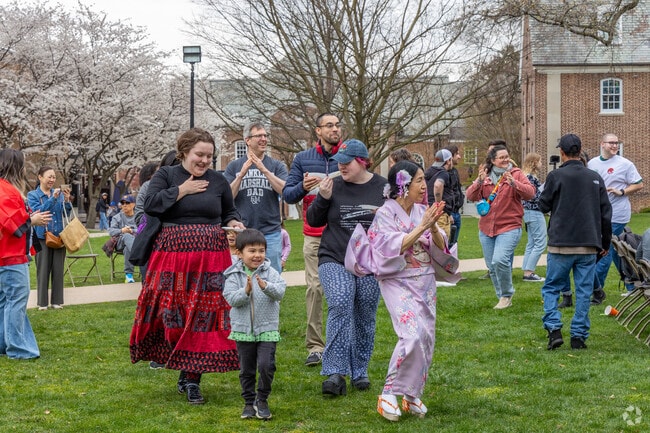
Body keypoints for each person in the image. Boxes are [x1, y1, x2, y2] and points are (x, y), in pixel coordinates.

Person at [129, 127, 245, 405]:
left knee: (202, 317)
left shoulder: (218, 180)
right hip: (172, 257)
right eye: (199, 155)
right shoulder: (166, 176)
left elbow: (228, 210)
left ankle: (193, 378)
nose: (205, 161)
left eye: (209, 156)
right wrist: (181, 190)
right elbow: (152, 206)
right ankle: (181, 362)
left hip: (211, 257)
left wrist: (234, 222)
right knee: (173, 315)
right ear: (184, 152)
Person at [368, 161, 449, 422]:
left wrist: (434, 225)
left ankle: (411, 394)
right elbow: (393, 246)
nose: (423, 186)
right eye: (418, 180)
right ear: (402, 185)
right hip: (397, 279)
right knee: (411, 334)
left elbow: (440, 246)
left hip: (424, 279)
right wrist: (422, 226)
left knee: (425, 338)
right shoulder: (385, 214)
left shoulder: (422, 210)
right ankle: (389, 392)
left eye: (424, 180)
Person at [306, 138, 386, 397]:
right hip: (334, 256)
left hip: (369, 262)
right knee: (340, 302)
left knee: (364, 311)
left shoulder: (383, 188)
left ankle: (359, 369)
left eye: (347, 162)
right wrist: (323, 197)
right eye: (338, 162)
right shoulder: (333, 185)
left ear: (363, 161)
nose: (341, 166)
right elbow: (313, 220)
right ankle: (335, 372)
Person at [538, 134, 612, 350]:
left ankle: (554, 329)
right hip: (588, 243)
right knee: (583, 291)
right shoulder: (594, 177)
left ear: (562, 152)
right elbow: (606, 213)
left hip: (561, 243)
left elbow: (543, 205)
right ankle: (578, 336)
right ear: (580, 151)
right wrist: (604, 243)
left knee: (551, 288)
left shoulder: (556, 175)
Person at [282, 112, 341, 367]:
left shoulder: (348, 157)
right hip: (314, 235)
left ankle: (341, 343)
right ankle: (316, 347)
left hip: (343, 234)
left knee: (342, 291)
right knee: (315, 289)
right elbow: (288, 195)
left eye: (338, 125)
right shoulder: (304, 159)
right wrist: (304, 187)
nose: (335, 129)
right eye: (329, 125)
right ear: (318, 131)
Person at [223, 229, 286, 420]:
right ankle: (249, 403)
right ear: (239, 253)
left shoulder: (271, 272)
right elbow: (231, 299)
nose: (257, 255)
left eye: (261, 250)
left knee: (267, 365)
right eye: (252, 251)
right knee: (247, 369)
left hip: (267, 327)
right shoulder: (233, 275)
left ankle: (263, 399)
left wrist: (266, 287)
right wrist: (246, 291)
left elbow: (281, 292)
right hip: (243, 330)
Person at [465, 144, 535, 309]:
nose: (505, 160)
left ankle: (506, 294)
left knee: (500, 259)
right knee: (492, 266)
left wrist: (514, 184)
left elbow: (531, 193)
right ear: (493, 160)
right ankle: (502, 297)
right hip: (487, 227)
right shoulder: (486, 175)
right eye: (501, 157)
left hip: (509, 226)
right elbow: (470, 195)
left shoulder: (516, 174)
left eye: (507, 156)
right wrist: (479, 181)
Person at [0, 149, 51, 359]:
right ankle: (18, 348)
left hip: (7, 255)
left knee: (6, 302)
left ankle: (5, 344)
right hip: (10, 256)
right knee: (16, 301)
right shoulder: (6, 191)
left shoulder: (6, 189)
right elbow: (12, 223)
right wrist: (33, 220)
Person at [224, 121, 288, 274]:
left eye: (265, 135)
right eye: (259, 135)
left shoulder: (276, 166)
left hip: (270, 232)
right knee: (242, 278)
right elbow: (227, 197)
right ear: (247, 140)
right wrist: (240, 176)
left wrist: (264, 170)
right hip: (243, 232)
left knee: (272, 278)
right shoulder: (234, 166)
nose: (264, 139)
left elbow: (285, 191)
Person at [588, 133, 644, 298]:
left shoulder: (625, 164)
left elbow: (639, 184)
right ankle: (632, 285)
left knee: (604, 251)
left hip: (616, 215)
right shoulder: (592, 163)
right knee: (617, 252)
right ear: (602, 144)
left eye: (616, 143)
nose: (614, 146)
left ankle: (596, 291)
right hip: (598, 215)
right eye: (611, 143)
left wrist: (622, 191)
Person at [27, 166, 73, 311]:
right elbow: (38, 212)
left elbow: (66, 212)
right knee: (43, 270)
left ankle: (57, 301)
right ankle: (42, 303)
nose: (52, 180)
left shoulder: (58, 194)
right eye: (49, 177)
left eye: (54, 177)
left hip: (59, 236)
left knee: (58, 270)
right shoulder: (33, 195)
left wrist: (66, 201)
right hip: (42, 236)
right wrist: (53, 199)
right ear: (40, 177)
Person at [520, 152, 547, 282]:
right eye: (540, 161)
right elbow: (533, 196)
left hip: (527, 212)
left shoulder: (524, 176)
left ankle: (526, 269)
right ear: (534, 162)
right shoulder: (531, 178)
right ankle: (529, 272)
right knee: (540, 243)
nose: (542, 164)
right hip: (534, 211)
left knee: (531, 242)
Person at [424, 149, 454, 238]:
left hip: (428, 212)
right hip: (440, 214)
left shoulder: (428, 172)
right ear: (448, 161)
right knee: (442, 244)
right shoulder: (443, 173)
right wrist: (438, 205)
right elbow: (438, 185)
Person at [109, 194, 138, 283]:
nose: (124, 205)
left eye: (127, 203)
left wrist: (132, 231)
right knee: (126, 236)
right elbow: (111, 231)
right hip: (119, 242)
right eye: (122, 203)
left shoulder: (139, 216)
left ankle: (129, 275)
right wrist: (122, 230)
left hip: (136, 242)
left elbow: (145, 229)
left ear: (133, 204)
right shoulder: (117, 217)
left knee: (127, 249)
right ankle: (138, 255)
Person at [444, 145, 465, 247]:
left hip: (456, 213)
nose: (459, 157)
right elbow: (445, 195)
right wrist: (448, 213)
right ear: (450, 156)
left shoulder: (455, 171)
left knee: (454, 245)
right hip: (449, 215)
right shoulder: (443, 174)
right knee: (448, 245)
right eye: (457, 154)